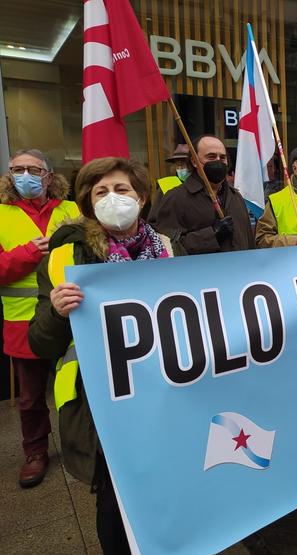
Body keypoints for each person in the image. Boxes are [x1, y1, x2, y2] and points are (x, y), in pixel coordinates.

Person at [28, 157, 181, 554]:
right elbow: (41, 343)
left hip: (165, 392)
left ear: (142, 197)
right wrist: (58, 313)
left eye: (122, 189)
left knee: (167, 485)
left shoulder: (166, 249)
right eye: (101, 192)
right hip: (101, 404)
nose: (113, 198)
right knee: (115, 500)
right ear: (88, 202)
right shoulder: (68, 256)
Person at [0, 149, 80, 488]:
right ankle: (35, 452)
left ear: (48, 176)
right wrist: (30, 252)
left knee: (75, 385)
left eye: (33, 169)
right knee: (31, 397)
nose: (26, 176)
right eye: (18, 169)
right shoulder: (2, 214)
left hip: (73, 314)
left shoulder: (70, 209)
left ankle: (82, 444)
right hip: (23, 322)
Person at [149, 134, 255, 254]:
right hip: (201, 272)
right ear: (194, 161)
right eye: (211, 157)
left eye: (222, 157)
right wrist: (212, 234)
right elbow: (166, 247)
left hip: (240, 270)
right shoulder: (176, 198)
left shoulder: (236, 197)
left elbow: (249, 242)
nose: (218, 161)